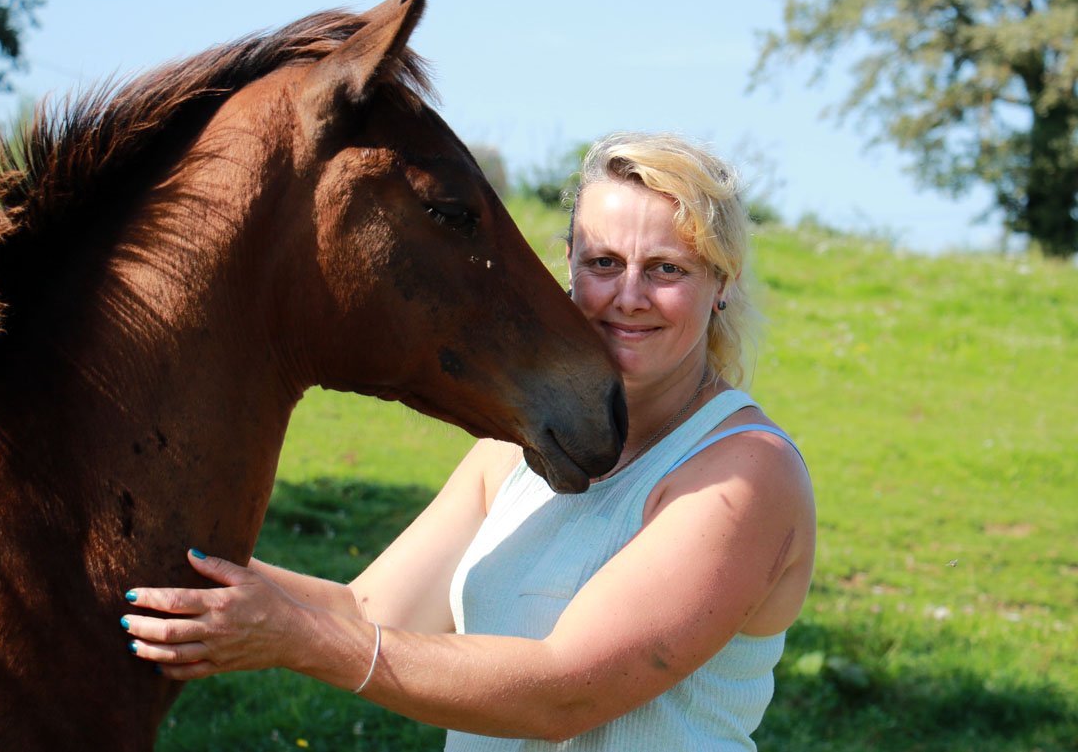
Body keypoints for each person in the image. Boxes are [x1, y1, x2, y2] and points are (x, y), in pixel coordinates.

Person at [121, 131, 816, 750]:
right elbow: (367, 611)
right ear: (568, 263)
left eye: (667, 269)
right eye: (604, 262)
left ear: (722, 283)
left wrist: (295, 637)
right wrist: (155, 553)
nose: (628, 295)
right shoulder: (520, 447)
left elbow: (562, 693)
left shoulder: (747, 473)